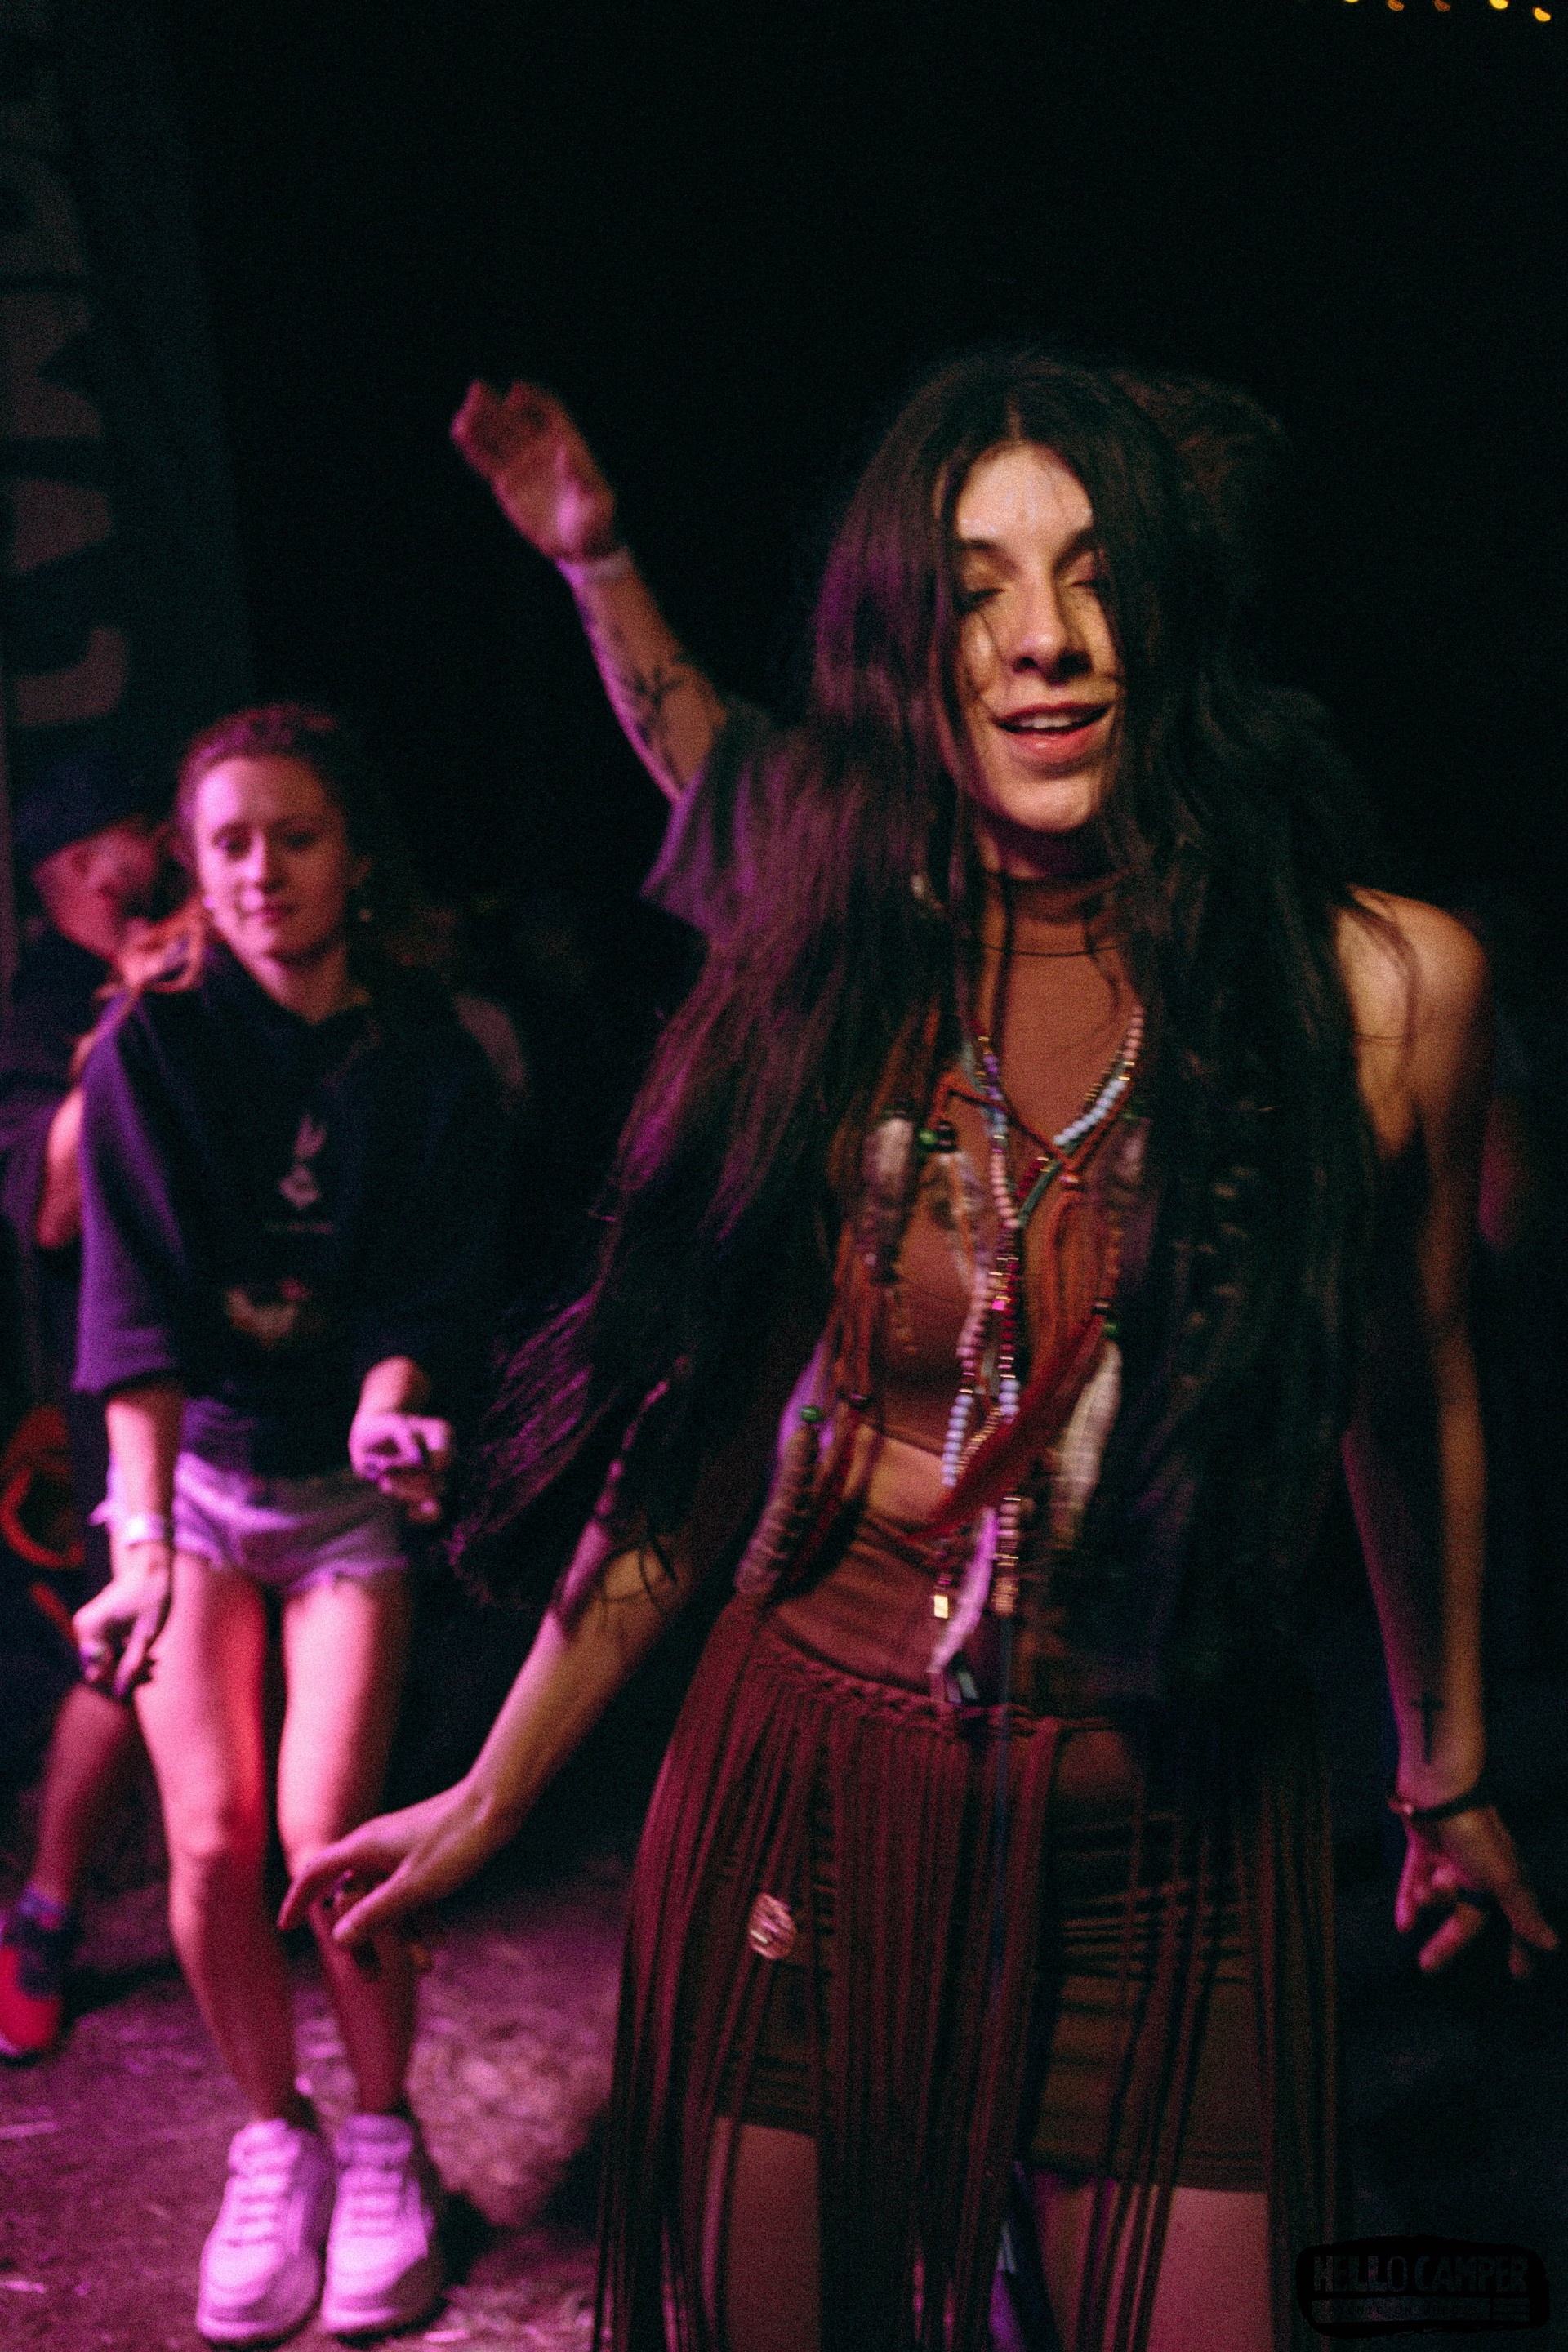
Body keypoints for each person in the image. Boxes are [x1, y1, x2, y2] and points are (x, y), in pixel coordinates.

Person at [287, 356, 1555, 2352]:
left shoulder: (1387, 990)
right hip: (818, 1788)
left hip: (1174, 1832)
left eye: (1096, 573)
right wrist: (498, 1788)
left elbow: (1414, 1384)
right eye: (979, 591)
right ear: (908, 645)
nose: (1046, 639)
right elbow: (703, 1434)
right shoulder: (838, 960)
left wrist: (1446, 1763)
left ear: (1183, 610)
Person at [71, 705, 502, 2347]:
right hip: (191, 1491)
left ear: (356, 854)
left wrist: (398, 1400)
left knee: (329, 1840)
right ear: (198, 863)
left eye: (295, 836)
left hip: (341, 1508)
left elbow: (432, 1295)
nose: (261, 871)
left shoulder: (431, 1060)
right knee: (207, 1842)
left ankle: (385, 2142)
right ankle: (276, 2141)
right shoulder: (153, 1049)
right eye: (230, 843)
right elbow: (133, 1322)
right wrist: (137, 1550)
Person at [0, 748, 171, 2060]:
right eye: (139, 829)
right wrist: (128, 1010)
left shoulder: (223, 958)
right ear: (80, 866)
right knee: (125, 1648)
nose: (165, 847)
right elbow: (49, 1210)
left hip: (254, 1367)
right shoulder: (43, 1006)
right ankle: (45, 1918)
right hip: (121, 1376)